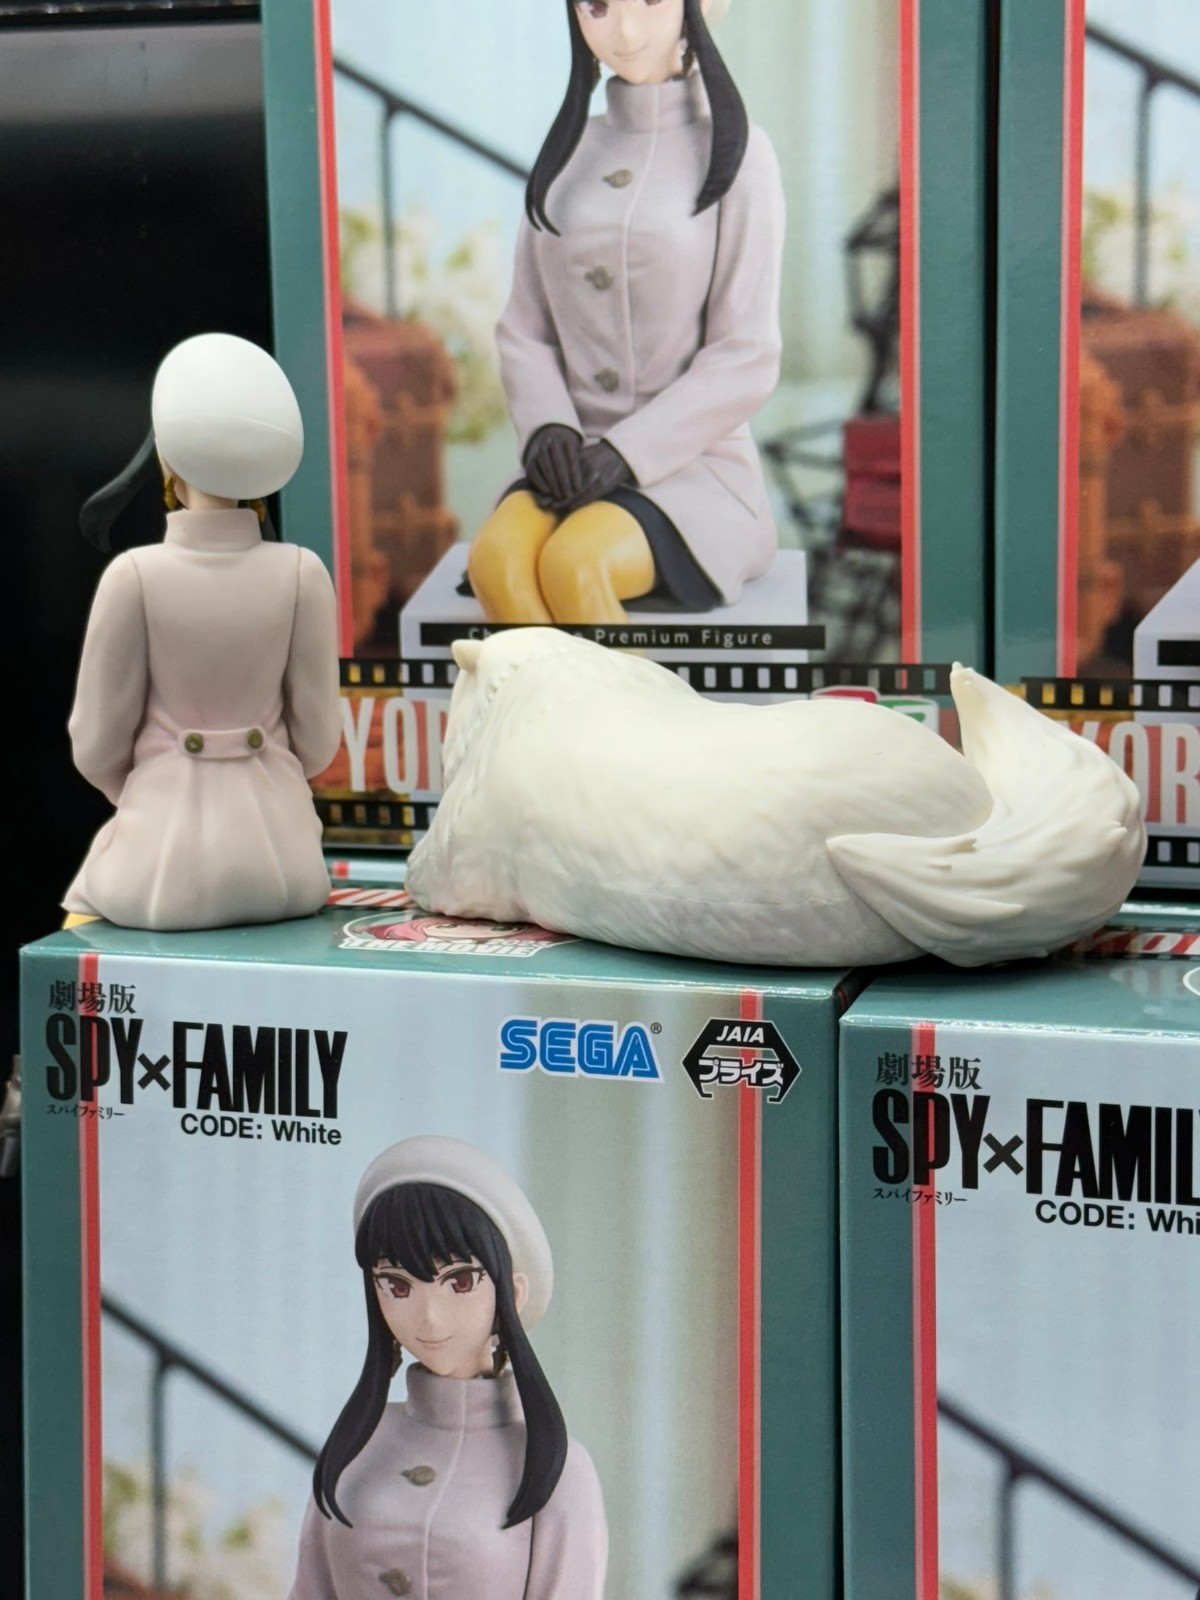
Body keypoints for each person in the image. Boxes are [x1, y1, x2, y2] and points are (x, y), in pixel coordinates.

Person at [467, 0, 784, 626]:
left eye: (651, 1)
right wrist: (548, 427)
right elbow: (526, 329)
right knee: (496, 564)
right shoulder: (567, 152)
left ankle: (623, 699)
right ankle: (553, 698)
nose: (625, 30)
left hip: (692, 469)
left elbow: (745, 353)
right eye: (597, 7)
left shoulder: (740, 155)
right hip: (568, 461)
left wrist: (626, 452)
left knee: (575, 565)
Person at [62, 333, 341, 932]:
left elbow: (95, 743)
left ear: (169, 459)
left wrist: (154, 791)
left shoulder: (134, 577)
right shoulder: (303, 574)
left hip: (157, 863)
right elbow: (318, 742)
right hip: (284, 861)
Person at [289, 1136, 608, 1600]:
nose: (429, 1317)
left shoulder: (556, 1467)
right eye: (397, 1285)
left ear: (513, 1293)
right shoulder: (355, 1444)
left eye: (459, 1281)